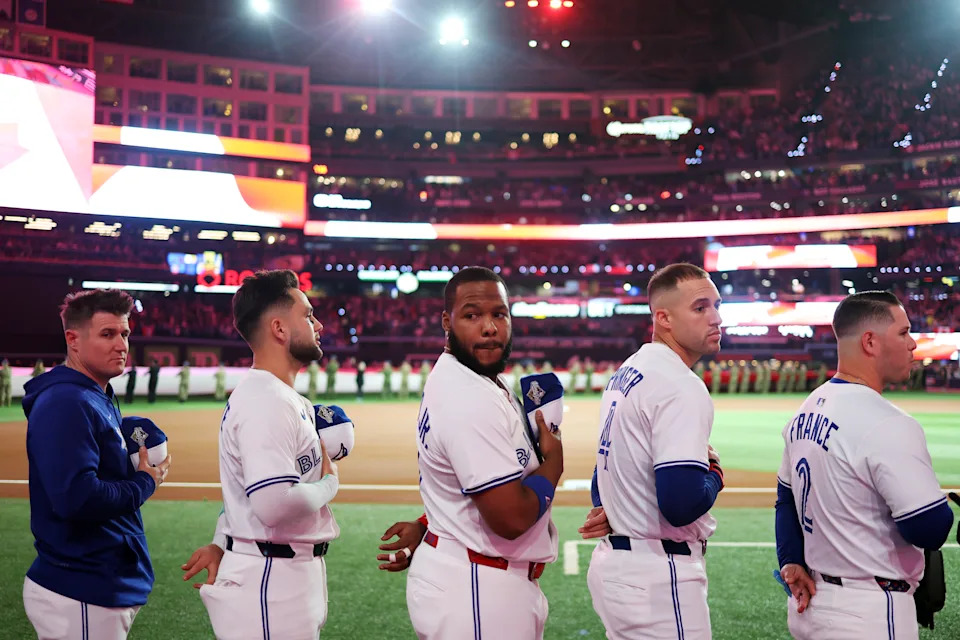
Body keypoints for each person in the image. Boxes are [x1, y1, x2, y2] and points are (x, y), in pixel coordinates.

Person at [388, 267, 563, 639]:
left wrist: (428, 523)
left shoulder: (472, 378)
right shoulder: (467, 395)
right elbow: (511, 518)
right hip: (478, 591)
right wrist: (554, 464)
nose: (490, 327)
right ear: (447, 322)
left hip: (470, 578)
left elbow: (461, 478)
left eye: (499, 314)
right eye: (472, 315)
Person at [775, 291, 954, 639]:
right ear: (870, 342)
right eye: (903, 333)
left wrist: (791, 560)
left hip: (811, 605)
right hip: (869, 613)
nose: (914, 344)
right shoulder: (889, 423)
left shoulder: (808, 408)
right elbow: (929, 529)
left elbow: (786, 500)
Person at [182, 269, 340, 640]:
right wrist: (331, 482)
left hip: (279, 575)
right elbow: (273, 504)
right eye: (308, 314)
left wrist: (223, 541)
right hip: (270, 582)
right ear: (279, 329)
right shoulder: (265, 400)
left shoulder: (281, 397)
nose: (318, 324)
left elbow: (245, 493)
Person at [21, 289, 171, 639]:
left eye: (125, 334)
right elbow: (78, 497)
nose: (121, 345)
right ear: (73, 340)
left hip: (96, 584)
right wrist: (144, 482)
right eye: (107, 334)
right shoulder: (66, 402)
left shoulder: (95, 394)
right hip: (81, 587)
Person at [586, 263, 725, 639]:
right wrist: (715, 474)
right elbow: (680, 505)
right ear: (663, 317)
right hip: (659, 576)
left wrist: (610, 506)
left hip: (619, 566)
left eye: (716, 305)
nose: (716, 318)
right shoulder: (680, 384)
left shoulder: (627, 371)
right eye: (700, 308)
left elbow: (605, 468)